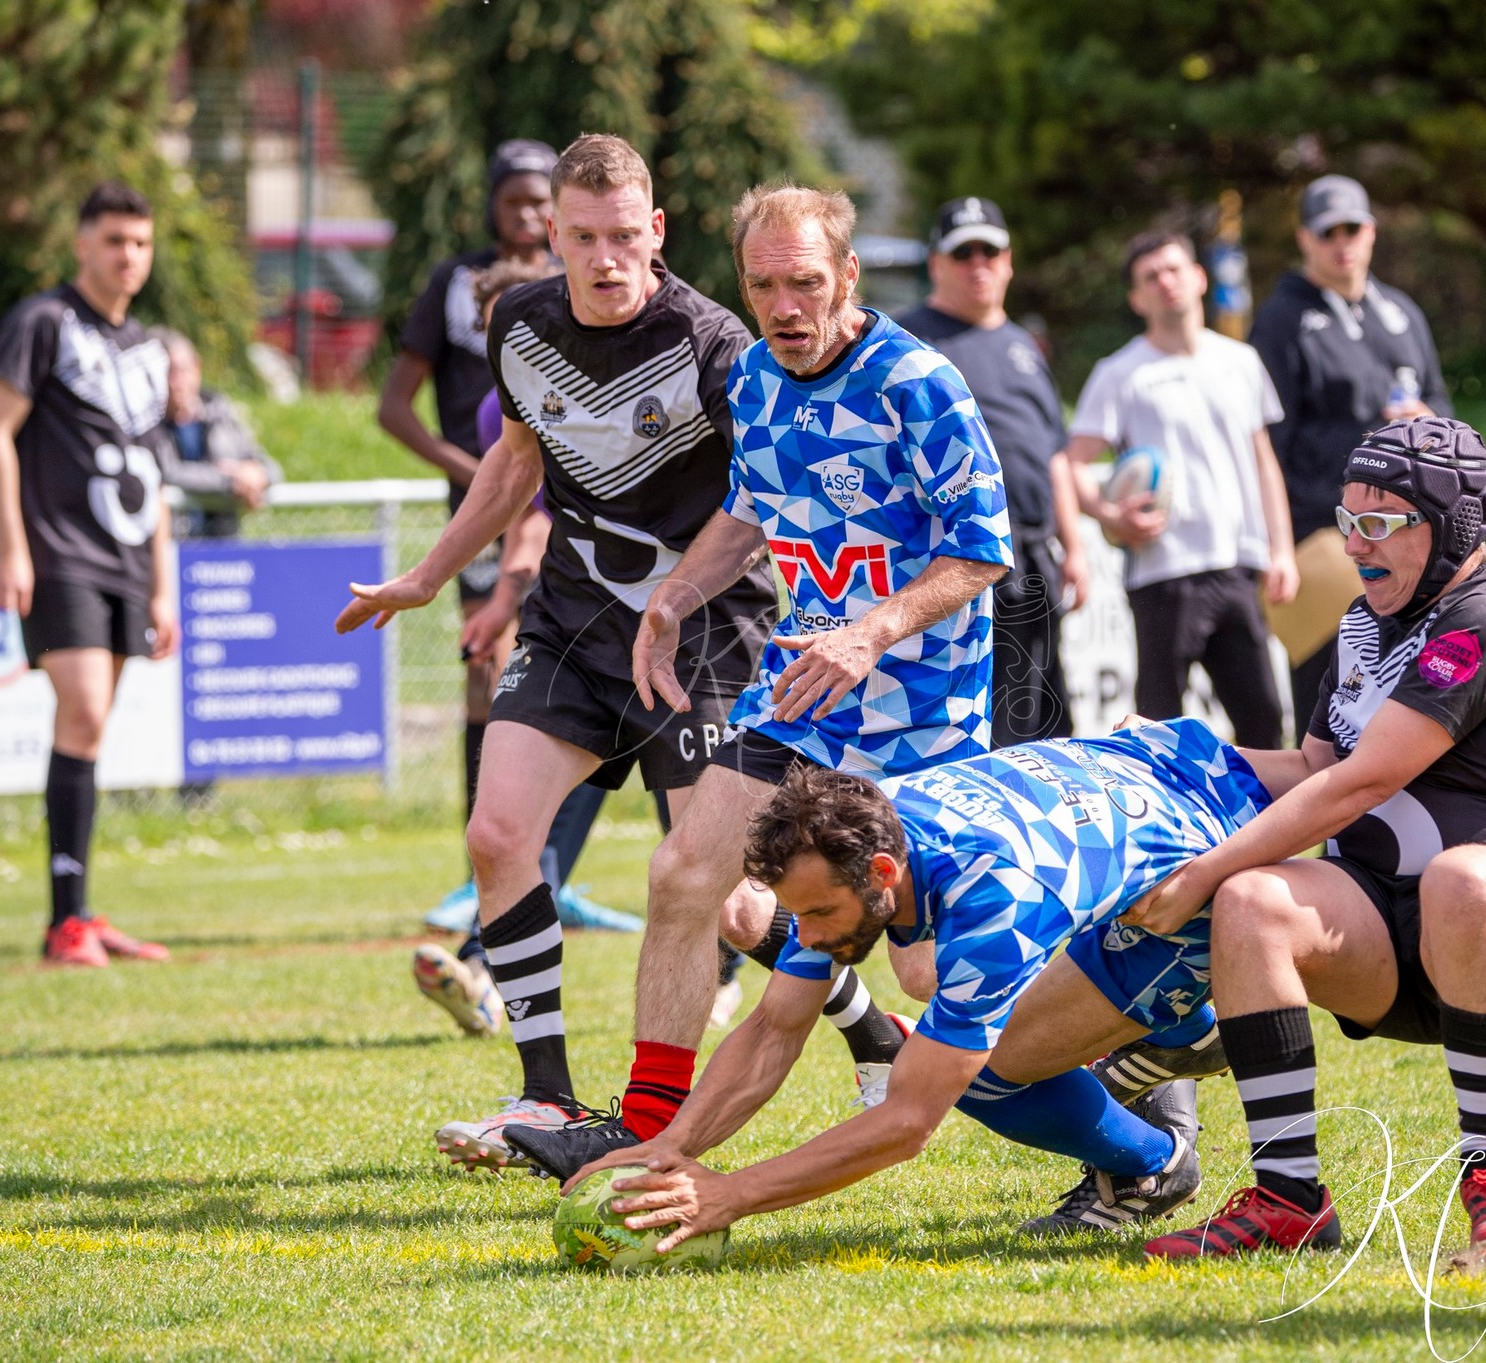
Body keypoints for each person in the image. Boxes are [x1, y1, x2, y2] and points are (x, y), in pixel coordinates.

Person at [338, 140, 903, 1170]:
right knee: (496, 833)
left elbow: (764, 496)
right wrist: (427, 574)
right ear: (551, 235)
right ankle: (546, 1095)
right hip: (572, 620)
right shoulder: (518, 323)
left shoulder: (713, 344)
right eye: (584, 237)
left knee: (730, 901)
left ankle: (868, 1025)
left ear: (656, 232)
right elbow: (515, 463)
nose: (605, 258)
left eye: (624, 236)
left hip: (709, 632)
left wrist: (721, 600)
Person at [500, 182, 1016, 1182]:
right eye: (762, 285)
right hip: (799, 697)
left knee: (927, 967)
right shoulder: (753, 380)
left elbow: (981, 551)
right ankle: (642, 1128)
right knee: (685, 872)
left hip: (921, 714)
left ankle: (1131, 1061)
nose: (783, 307)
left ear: (848, 275)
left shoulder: (917, 382)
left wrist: (870, 633)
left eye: (805, 283)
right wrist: (672, 599)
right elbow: (746, 512)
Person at [1127, 417, 1486, 1262]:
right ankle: (1287, 1200)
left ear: (1454, 524)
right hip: (1391, 924)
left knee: (1461, 879)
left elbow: (1362, 782)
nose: (1355, 544)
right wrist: (1167, 750)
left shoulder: (1483, 620)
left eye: (1381, 522)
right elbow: (1314, 765)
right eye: (1348, 519)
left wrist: (1199, 870)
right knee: (1253, 900)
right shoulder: (1363, 621)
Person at [554, 719, 1268, 1250]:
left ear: (883, 876)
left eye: (817, 913)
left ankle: (1154, 1164)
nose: (806, 934)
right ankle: (1180, 1039)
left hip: (1196, 887)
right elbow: (775, 1026)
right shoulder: (856, 832)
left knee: (981, 1071)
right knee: (965, 1030)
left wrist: (731, 1195)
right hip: (1152, 778)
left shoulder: (993, 904)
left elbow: (908, 1120)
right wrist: (676, 1144)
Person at [375, 138, 623, 933]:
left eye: (537, 200)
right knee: (501, 680)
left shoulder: (597, 291)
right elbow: (404, 411)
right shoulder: (491, 385)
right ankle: (497, 869)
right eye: (511, 198)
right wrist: (486, 480)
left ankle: (544, 870)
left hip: (580, 535)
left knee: (598, 695)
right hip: (497, 519)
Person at [0, 181, 177, 968]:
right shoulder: (43, 321)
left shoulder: (151, 348)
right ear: (81, 244)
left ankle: (79, 912)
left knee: (89, 728)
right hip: (60, 551)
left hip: (128, 560)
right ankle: (65, 924)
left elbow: (155, 478)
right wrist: (12, 547)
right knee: (84, 709)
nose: (129, 256)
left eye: (141, 243)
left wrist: (163, 583)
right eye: (115, 240)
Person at [1068, 230, 1299, 749]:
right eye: (1150, 277)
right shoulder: (1119, 373)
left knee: (1264, 723)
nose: (1165, 282)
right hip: (1163, 574)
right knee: (1157, 731)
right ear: (1137, 298)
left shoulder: (1240, 361)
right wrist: (1110, 515)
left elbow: (1263, 461)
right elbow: (1072, 464)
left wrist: (1281, 550)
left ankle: (1255, 809)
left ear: (1198, 278)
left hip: (1236, 566)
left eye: (1174, 270)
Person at [1249, 175, 1452, 731]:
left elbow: (1443, 409)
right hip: (1325, 541)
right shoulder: (1281, 321)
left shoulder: (1401, 312)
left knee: (1407, 702)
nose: (1342, 243)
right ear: (1304, 239)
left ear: (1372, 232)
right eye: (1327, 232)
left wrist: (1427, 422)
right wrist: (1280, 544)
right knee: (1333, 703)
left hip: (1409, 537)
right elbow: (1266, 445)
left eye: (1352, 229)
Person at [896, 196, 1087, 746]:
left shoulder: (1023, 344)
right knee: (986, 729)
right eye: (963, 253)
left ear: (1008, 261)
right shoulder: (908, 341)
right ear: (936, 264)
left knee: (1044, 721)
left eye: (989, 251)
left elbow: (1053, 452)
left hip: (1033, 557)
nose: (978, 263)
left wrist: (1075, 546)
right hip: (957, 558)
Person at [153, 328, 282, 540]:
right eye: (167, 373)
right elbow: (166, 472)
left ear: (197, 368)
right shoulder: (147, 421)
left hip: (222, 547)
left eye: (181, 370)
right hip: (171, 546)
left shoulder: (220, 412)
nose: (176, 382)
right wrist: (230, 480)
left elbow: (269, 466)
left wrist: (258, 476)